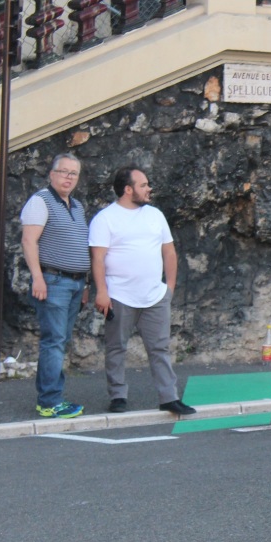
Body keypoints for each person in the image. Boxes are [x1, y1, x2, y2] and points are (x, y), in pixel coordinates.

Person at [88, 166, 196, 416]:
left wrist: (169, 287)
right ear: (128, 189)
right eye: (144, 185)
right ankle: (118, 396)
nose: (149, 189)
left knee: (160, 348)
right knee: (116, 347)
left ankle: (169, 397)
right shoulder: (105, 219)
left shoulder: (155, 215)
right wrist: (101, 292)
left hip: (155, 296)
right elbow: (98, 259)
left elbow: (169, 251)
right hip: (119, 295)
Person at [20, 154, 89, 418]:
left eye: (74, 173)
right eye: (63, 171)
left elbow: (81, 246)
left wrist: (84, 285)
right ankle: (50, 401)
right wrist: (37, 277)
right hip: (53, 281)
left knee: (59, 340)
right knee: (54, 341)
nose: (68, 177)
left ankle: (48, 398)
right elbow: (29, 241)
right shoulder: (40, 201)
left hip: (74, 283)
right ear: (51, 174)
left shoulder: (77, 205)